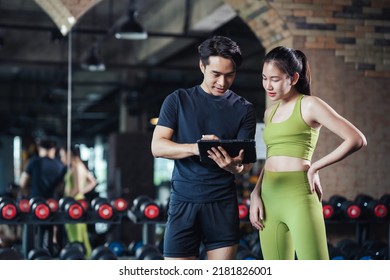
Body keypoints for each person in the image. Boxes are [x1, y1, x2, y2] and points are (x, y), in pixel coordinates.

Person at [249, 46, 367, 260]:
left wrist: (315, 167)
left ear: (293, 78)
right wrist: (255, 192)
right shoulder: (269, 112)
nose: (268, 85)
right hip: (268, 197)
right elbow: (271, 157)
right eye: (264, 78)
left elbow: (356, 139)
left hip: (299, 195)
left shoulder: (309, 105)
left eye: (275, 79)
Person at [151, 35, 257, 260]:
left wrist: (234, 168)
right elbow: (157, 147)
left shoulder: (244, 109)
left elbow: (246, 164)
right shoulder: (177, 100)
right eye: (216, 74)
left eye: (230, 75)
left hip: (222, 203)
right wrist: (196, 148)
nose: (222, 82)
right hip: (183, 201)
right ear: (202, 66)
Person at [19, 138, 66, 257]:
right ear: (53, 149)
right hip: (51, 204)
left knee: (31, 231)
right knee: (48, 232)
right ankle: (46, 255)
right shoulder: (60, 166)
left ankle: (30, 256)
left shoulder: (33, 162)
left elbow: (22, 183)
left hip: (35, 203)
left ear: (40, 148)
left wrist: (26, 193)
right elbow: (61, 188)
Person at [59, 145, 97, 258]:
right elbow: (93, 182)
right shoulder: (81, 166)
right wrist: (82, 192)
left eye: (62, 155)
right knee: (81, 234)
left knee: (75, 235)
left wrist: (66, 200)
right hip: (78, 201)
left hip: (73, 203)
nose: (61, 159)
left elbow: (76, 188)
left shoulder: (76, 166)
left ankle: (77, 257)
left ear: (69, 154)